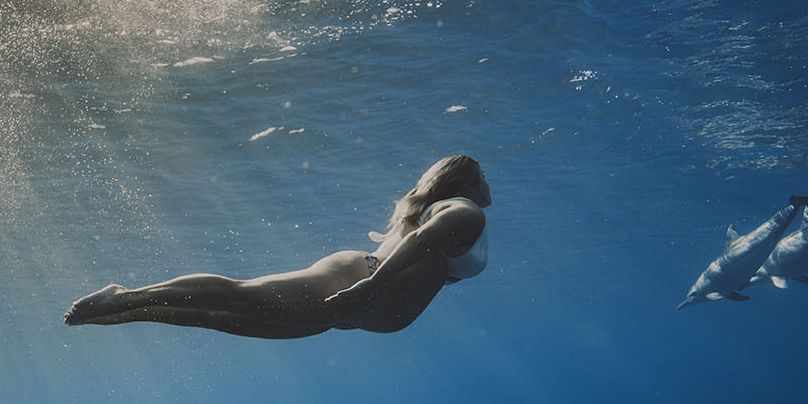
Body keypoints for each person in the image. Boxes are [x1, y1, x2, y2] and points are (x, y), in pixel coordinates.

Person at [64, 155, 490, 339]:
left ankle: (123, 314)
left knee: (222, 319)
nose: (489, 183)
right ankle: (126, 297)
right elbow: (420, 241)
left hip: (356, 304)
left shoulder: (446, 207)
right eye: (482, 176)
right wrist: (369, 287)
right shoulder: (467, 212)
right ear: (464, 182)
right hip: (355, 284)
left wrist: (368, 295)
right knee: (238, 297)